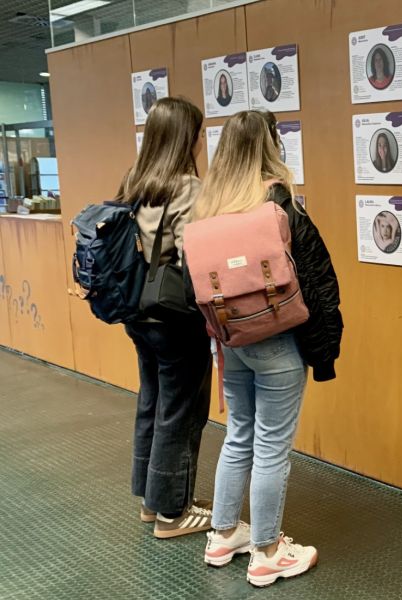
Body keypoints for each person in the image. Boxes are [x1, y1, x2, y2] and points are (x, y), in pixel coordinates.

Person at [192, 110, 343, 587]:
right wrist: (326, 346)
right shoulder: (278, 202)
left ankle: (222, 535)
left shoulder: (208, 205)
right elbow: (317, 279)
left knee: (239, 433)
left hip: (230, 340)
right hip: (276, 339)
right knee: (272, 447)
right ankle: (267, 551)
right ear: (270, 144)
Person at [116, 97, 213, 538]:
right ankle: (174, 512)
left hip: (138, 311)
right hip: (174, 315)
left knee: (152, 402)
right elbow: (195, 254)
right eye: (197, 131)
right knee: (181, 410)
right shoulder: (186, 187)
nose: (200, 139)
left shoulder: (135, 181)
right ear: (183, 138)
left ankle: (150, 501)